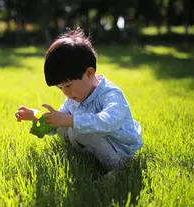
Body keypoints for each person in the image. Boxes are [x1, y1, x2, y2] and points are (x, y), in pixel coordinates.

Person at [15, 27, 143, 170]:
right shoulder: (74, 98)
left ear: (89, 73)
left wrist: (70, 120)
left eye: (68, 85)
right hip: (97, 142)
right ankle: (82, 158)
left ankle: (118, 168)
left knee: (77, 129)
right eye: (60, 88)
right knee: (64, 126)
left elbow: (109, 122)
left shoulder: (110, 94)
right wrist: (36, 116)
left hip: (121, 148)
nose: (65, 92)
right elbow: (58, 123)